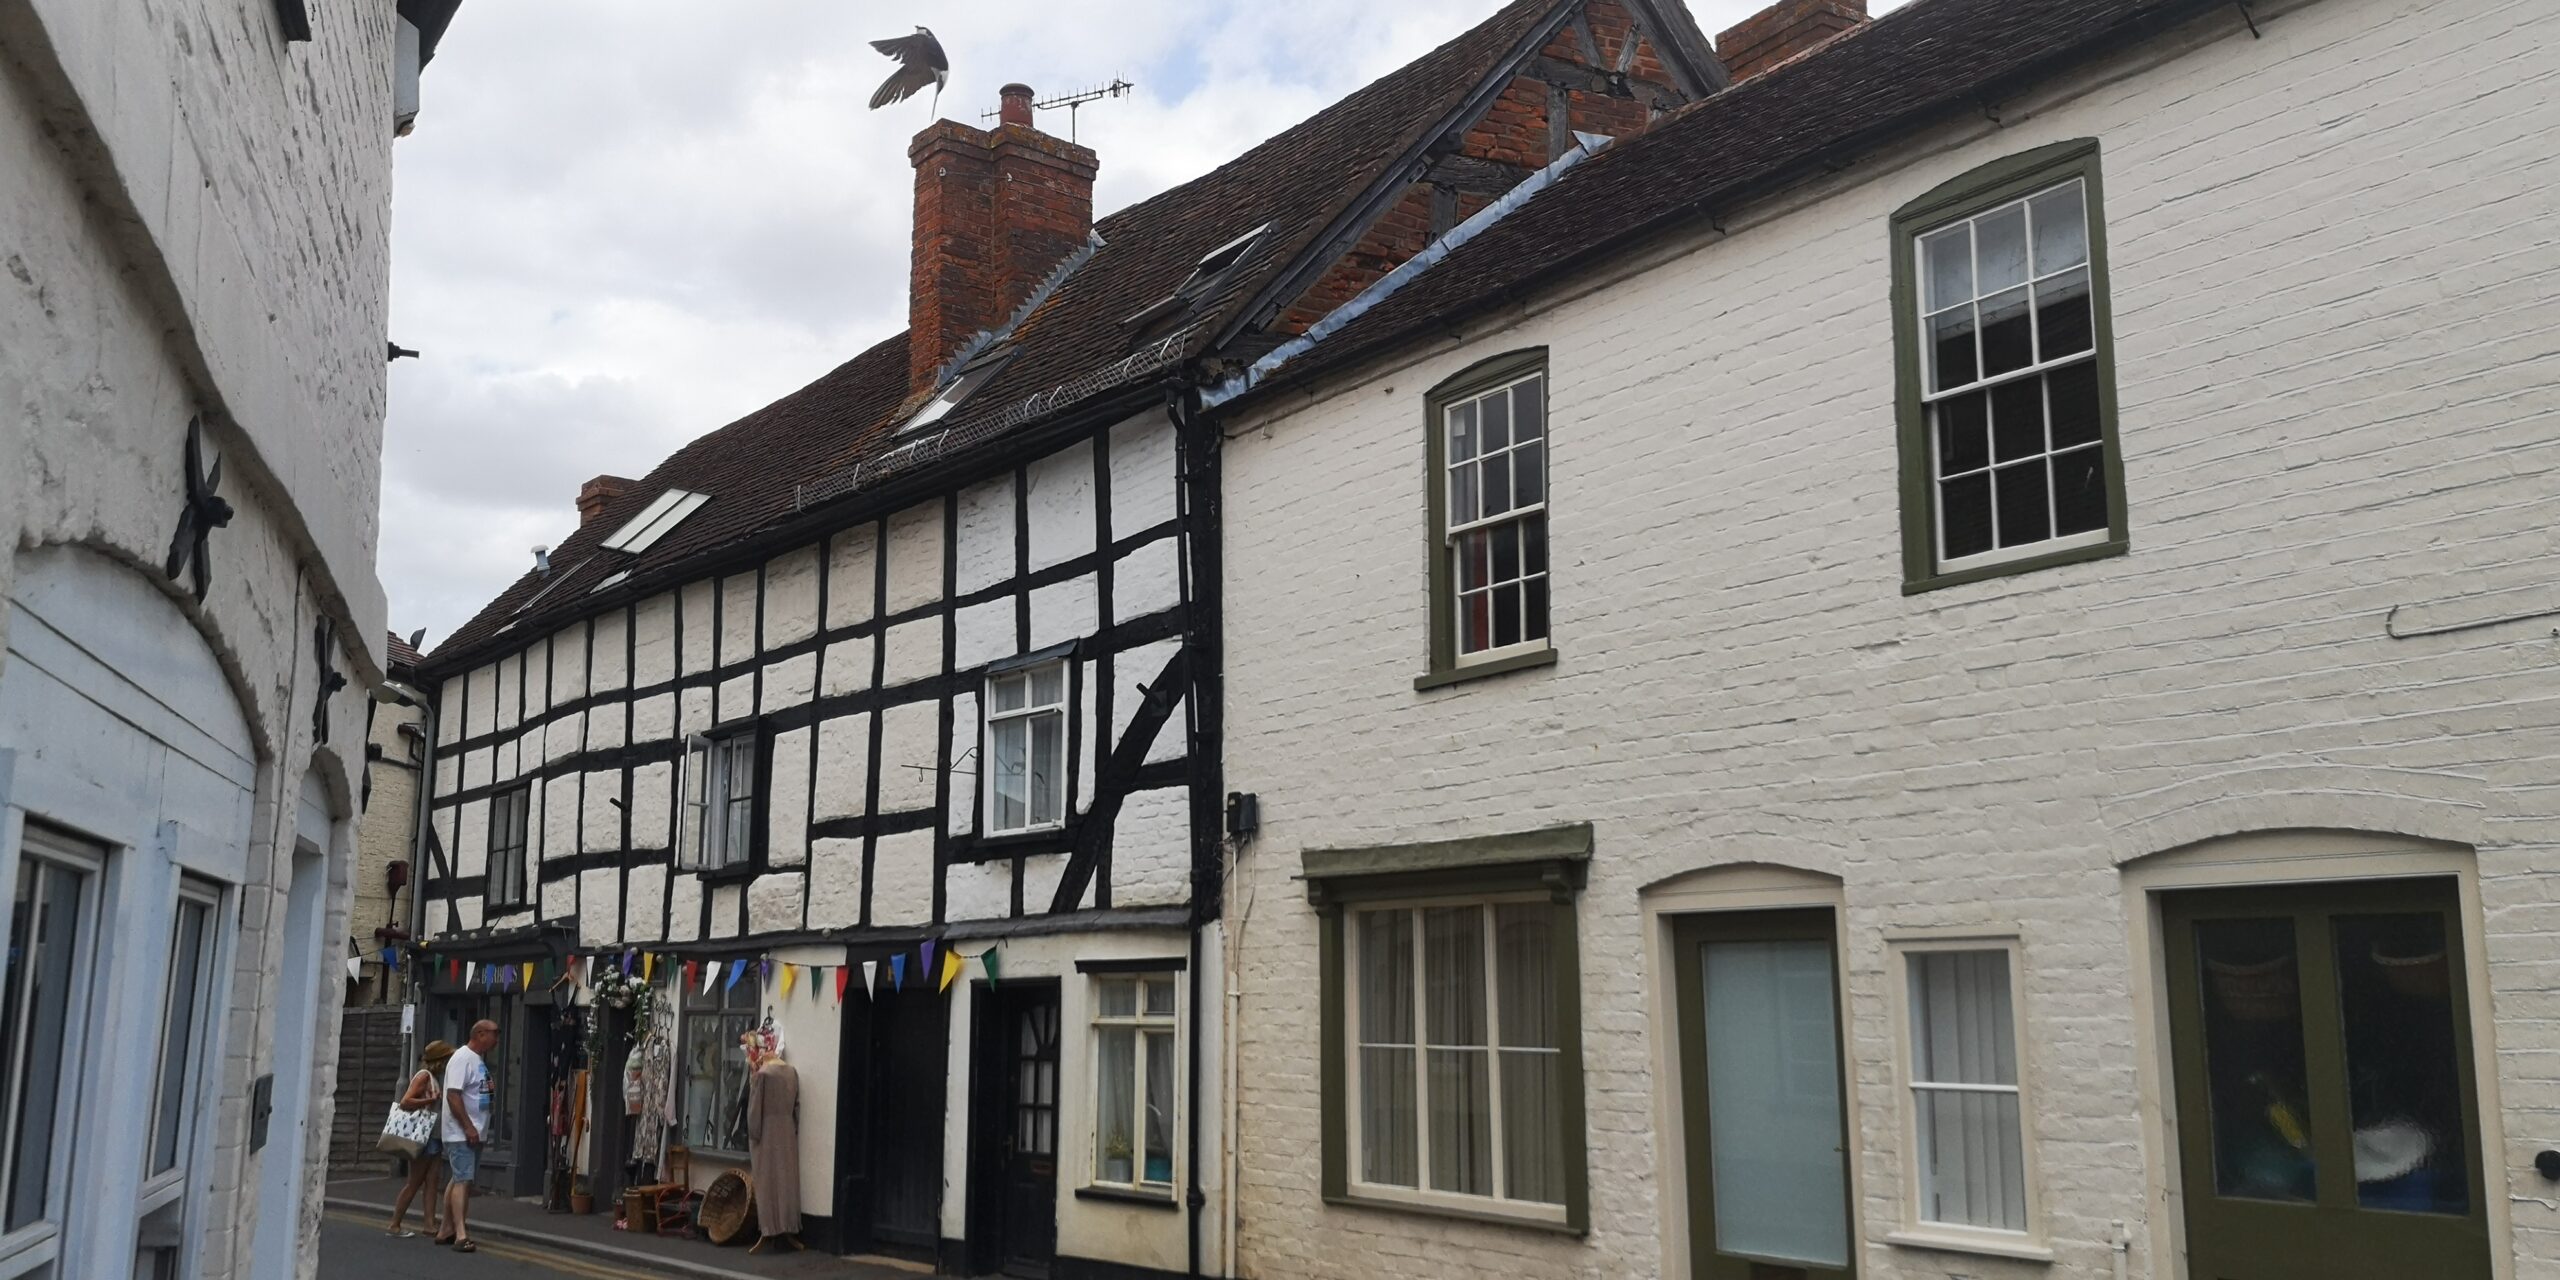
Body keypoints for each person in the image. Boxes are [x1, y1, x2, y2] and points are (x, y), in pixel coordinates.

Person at [440, 1019, 499, 1253]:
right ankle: (461, 1235)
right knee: (463, 1181)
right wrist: (468, 1127)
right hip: (461, 1133)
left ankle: (445, 1229)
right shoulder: (462, 1058)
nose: (497, 1038)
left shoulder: (476, 1060)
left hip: (473, 1131)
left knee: (458, 1179)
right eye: (495, 1033)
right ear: (480, 1034)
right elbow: (453, 1096)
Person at [385, 1040, 453, 1238]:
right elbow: (406, 1101)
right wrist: (429, 1100)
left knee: (432, 1181)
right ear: (439, 1060)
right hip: (422, 1135)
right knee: (414, 1182)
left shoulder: (433, 1077)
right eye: (446, 1058)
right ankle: (395, 1224)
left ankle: (429, 1224)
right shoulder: (424, 1076)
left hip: (433, 1135)